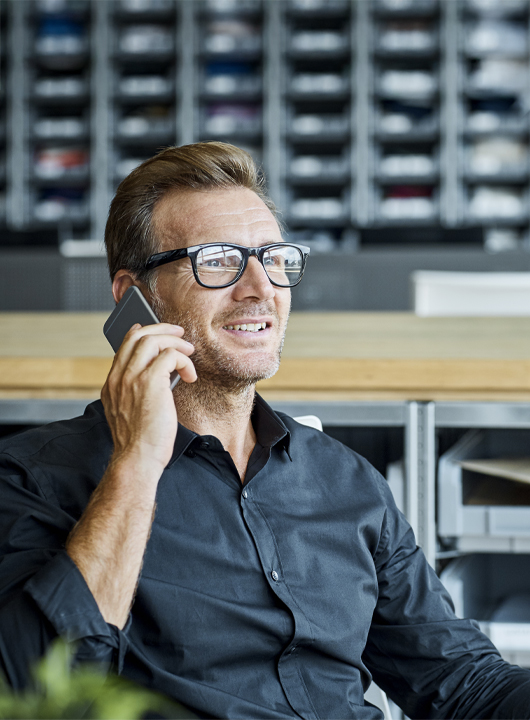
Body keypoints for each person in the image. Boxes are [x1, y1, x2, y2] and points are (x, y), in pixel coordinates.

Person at [0, 142, 529, 720]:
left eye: (274, 258)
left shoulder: (346, 481)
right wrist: (135, 465)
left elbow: (461, 682)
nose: (260, 287)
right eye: (219, 260)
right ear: (134, 298)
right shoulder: (36, 479)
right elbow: (34, 692)